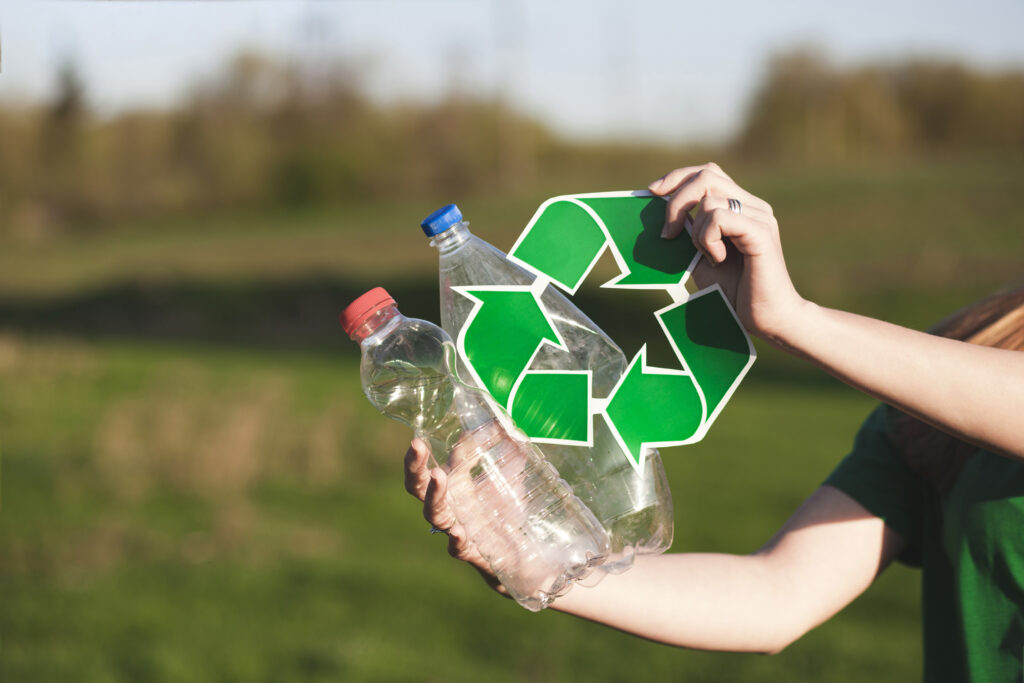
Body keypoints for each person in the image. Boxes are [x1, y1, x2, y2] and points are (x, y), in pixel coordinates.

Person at [402, 163, 1024, 681]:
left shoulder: (949, 378)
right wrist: (538, 558)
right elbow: (776, 595)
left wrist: (793, 318)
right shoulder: (969, 353)